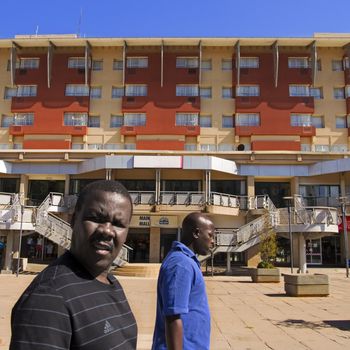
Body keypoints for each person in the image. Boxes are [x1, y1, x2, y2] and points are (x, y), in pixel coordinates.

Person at [10, 180, 138, 349]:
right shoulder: (49, 296)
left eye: (118, 224)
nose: (107, 230)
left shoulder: (112, 283)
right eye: (95, 218)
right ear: (73, 220)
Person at [152, 212, 215, 350]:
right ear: (196, 233)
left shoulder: (187, 262)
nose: (213, 241)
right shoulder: (181, 264)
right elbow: (173, 317)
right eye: (210, 235)